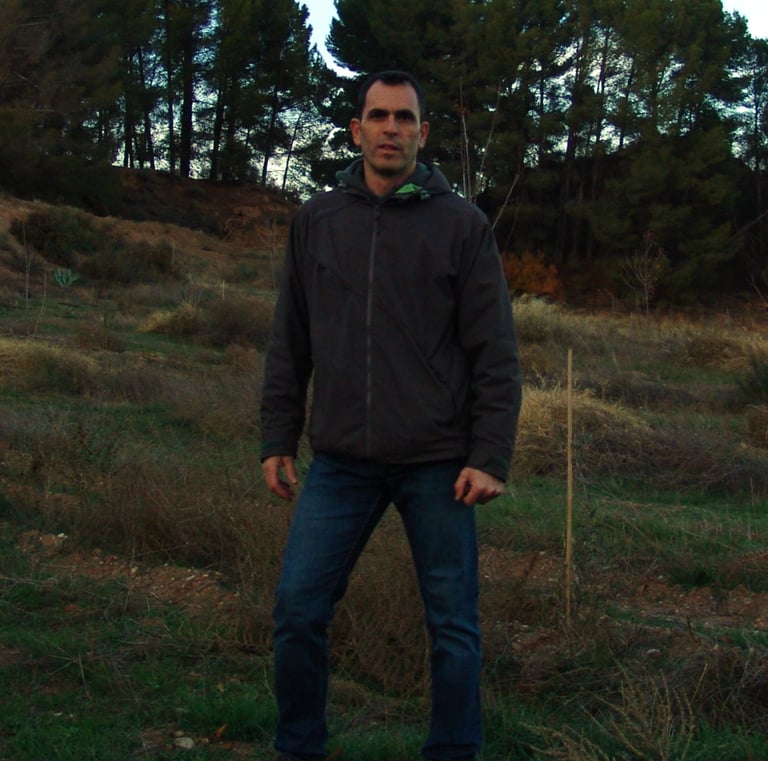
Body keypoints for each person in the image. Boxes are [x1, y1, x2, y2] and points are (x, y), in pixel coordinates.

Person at [260, 70, 522, 761]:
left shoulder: (462, 226)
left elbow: (494, 350)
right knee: (297, 610)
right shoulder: (317, 221)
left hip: (438, 462)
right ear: (356, 130)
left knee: (454, 626)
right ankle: (299, 748)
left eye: (405, 118)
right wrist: (277, 436)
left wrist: (489, 455)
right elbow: (290, 338)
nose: (391, 129)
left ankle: (453, 751)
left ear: (423, 134)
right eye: (378, 116)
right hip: (341, 461)